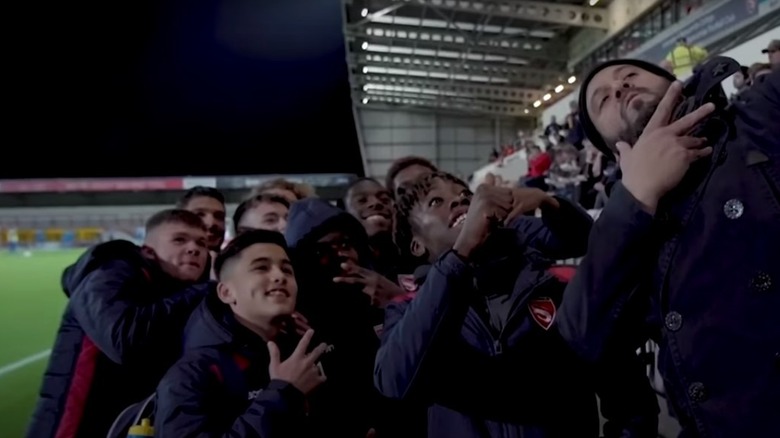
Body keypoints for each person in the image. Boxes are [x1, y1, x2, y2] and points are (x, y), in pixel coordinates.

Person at [559, 56, 779, 437]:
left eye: (629, 76)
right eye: (603, 100)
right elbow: (581, 335)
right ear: (614, 151)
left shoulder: (758, 113)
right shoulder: (624, 226)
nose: (619, 88)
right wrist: (637, 194)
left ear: (674, 82)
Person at [376, 172, 658, 437]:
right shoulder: (406, 310)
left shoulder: (557, 283)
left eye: (465, 194)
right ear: (416, 245)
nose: (461, 199)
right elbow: (394, 382)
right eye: (436, 201)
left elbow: (630, 400)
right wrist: (461, 254)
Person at [27, 209, 211, 438]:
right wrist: (203, 289)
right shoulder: (109, 272)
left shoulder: (173, 290)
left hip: (126, 424)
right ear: (148, 251)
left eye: (202, 243)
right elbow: (123, 341)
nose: (195, 248)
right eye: (179, 240)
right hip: (73, 425)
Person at [154, 229, 328, 437]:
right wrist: (284, 393)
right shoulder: (193, 372)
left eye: (287, 270)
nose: (279, 276)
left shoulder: (304, 352)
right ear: (226, 292)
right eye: (261, 268)